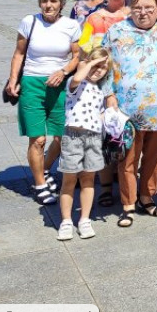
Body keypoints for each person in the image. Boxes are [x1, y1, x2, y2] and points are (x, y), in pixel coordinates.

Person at [102, 0, 157, 227]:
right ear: (130, 8)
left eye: (149, 8)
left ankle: (147, 196)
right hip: (126, 109)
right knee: (128, 158)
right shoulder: (116, 30)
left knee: (154, 157)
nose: (143, 13)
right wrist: (109, 95)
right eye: (138, 8)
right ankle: (128, 203)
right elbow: (101, 65)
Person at [6, 0, 81, 205]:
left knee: (60, 137)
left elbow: (77, 56)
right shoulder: (29, 22)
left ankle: (45, 169)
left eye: (53, 1)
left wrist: (64, 71)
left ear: (61, 5)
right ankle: (39, 184)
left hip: (60, 85)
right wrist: (13, 80)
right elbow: (19, 53)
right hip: (32, 84)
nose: (48, 5)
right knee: (38, 139)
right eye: (44, 1)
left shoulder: (71, 25)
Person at [79, 0, 133, 208]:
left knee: (129, 138)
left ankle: (129, 186)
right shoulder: (93, 19)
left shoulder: (135, 15)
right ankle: (106, 187)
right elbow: (83, 49)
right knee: (105, 138)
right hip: (102, 86)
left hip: (131, 86)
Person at [57, 48, 111, 241]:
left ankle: (84, 219)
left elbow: (100, 114)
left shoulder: (100, 90)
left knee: (88, 179)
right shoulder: (75, 84)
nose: (99, 70)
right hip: (73, 135)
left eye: (103, 68)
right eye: (96, 66)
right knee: (69, 180)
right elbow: (77, 79)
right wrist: (88, 63)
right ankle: (66, 221)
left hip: (93, 137)